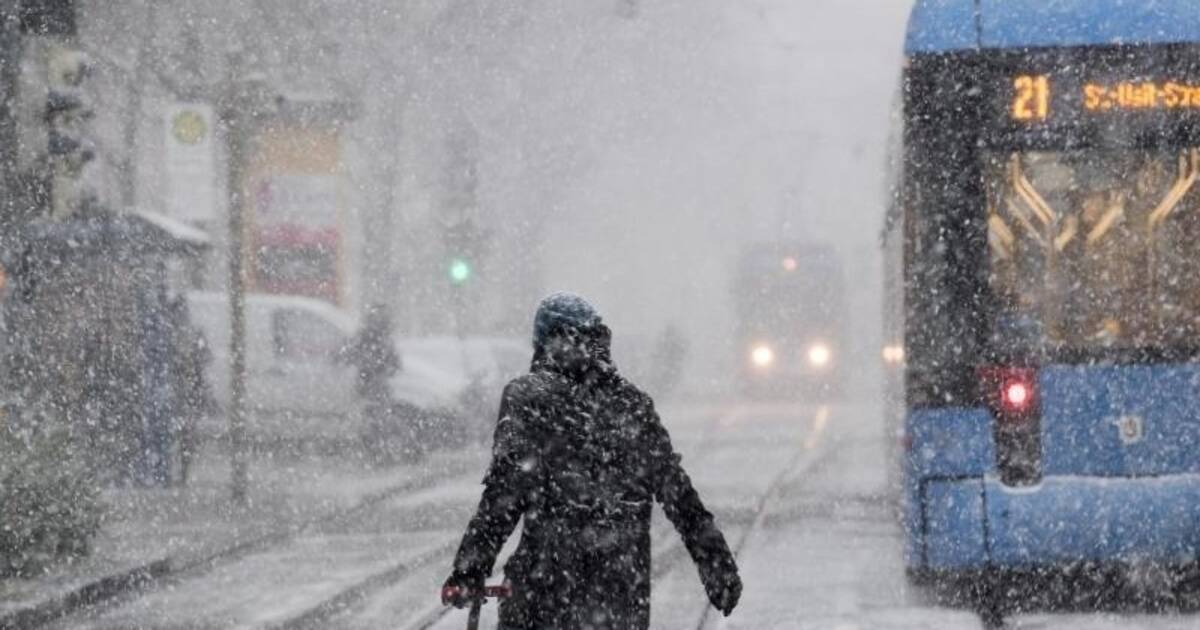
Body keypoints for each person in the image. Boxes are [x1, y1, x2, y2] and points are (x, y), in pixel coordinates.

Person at [442, 293, 741, 629]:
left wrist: (469, 571)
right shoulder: (632, 404)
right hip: (620, 593)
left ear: (542, 343)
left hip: (543, 591)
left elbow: (503, 497)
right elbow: (678, 494)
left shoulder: (526, 398)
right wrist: (716, 565)